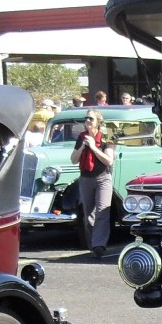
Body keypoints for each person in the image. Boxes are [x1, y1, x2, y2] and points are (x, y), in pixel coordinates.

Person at [70, 110, 114, 257]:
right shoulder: (81, 138)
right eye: (86, 118)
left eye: (91, 118)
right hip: (86, 179)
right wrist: (83, 146)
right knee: (88, 215)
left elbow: (109, 160)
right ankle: (93, 245)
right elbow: (73, 159)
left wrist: (94, 147)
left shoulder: (106, 137)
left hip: (103, 178)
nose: (88, 121)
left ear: (98, 122)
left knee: (102, 212)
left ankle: (99, 245)